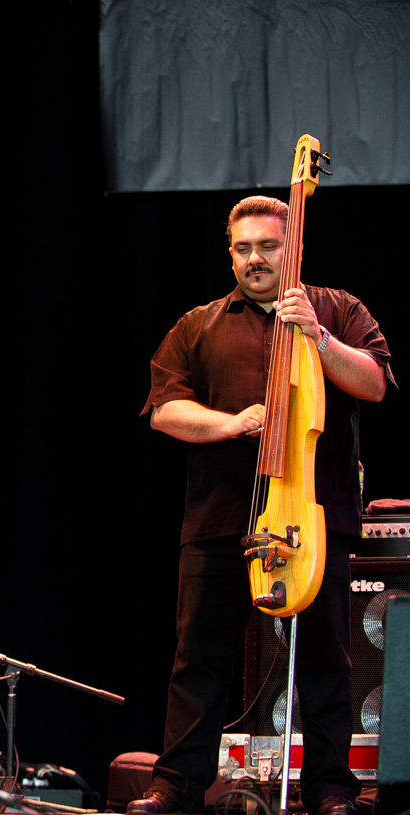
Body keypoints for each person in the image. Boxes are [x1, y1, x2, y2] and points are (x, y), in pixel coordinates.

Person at [134, 196, 395, 815]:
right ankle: (176, 787)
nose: (256, 259)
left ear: (293, 247)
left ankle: (332, 788)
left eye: (268, 247)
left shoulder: (337, 309)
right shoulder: (198, 324)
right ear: (230, 253)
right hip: (221, 515)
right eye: (243, 248)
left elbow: (375, 383)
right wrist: (229, 423)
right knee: (198, 659)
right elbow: (165, 409)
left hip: (313, 512)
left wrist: (318, 335)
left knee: (327, 658)